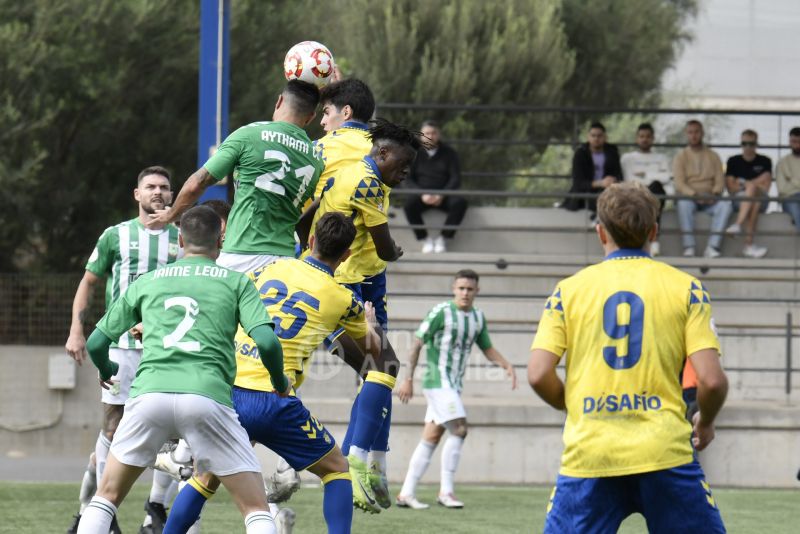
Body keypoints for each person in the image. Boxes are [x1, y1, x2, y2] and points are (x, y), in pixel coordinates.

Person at [164, 212, 382, 533]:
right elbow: (373, 349)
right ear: (347, 255)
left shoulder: (272, 267)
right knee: (336, 469)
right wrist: (371, 322)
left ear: (310, 242)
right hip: (273, 398)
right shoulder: (344, 299)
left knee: (205, 477)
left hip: (227, 390)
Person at [77, 206, 290, 534]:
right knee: (255, 508)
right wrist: (279, 380)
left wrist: (107, 368)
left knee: (106, 497)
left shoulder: (147, 281)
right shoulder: (237, 282)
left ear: (179, 239)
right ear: (221, 240)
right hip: (207, 397)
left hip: (149, 395)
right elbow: (268, 342)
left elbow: (95, 342)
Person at [528, 182, 728, 533]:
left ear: (600, 232)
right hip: (664, 451)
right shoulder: (686, 287)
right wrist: (706, 421)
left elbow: (538, 374)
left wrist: (574, 406)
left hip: (591, 450)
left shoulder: (568, 291)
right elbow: (712, 381)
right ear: (654, 231)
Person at [299, 118, 418, 512]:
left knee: (381, 370)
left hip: (366, 280)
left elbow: (311, 213)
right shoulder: (366, 181)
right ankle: (355, 460)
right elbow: (385, 248)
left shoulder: (358, 174)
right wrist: (397, 252)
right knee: (381, 366)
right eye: (401, 166)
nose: (404, 174)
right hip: (347, 284)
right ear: (381, 153)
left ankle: (373, 465)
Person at [65, 166, 181, 534]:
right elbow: (89, 282)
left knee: (170, 432)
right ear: (137, 194)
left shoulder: (183, 239)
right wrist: (76, 331)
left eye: (164, 187)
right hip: (122, 348)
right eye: (151, 186)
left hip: (166, 348)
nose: (158, 192)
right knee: (114, 429)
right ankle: (100, 511)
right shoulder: (115, 236)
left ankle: (153, 514)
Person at [146, 80, 324, 274]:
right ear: (311, 117)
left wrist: (170, 215)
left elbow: (198, 182)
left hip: (242, 254)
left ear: (279, 101)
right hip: (285, 260)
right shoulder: (316, 159)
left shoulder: (249, 135)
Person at [395, 269, 516, 509]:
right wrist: (408, 379)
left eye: (470, 289)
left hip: (453, 386)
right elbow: (417, 343)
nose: (465, 293)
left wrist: (506, 364)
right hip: (437, 382)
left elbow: (487, 348)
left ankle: (406, 493)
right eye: (461, 288)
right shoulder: (442, 312)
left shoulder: (478, 318)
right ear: (453, 289)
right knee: (460, 429)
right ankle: (446, 492)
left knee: (432, 436)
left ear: (477, 291)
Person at [402, 120, 467, 253]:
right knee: (409, 206)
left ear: (439, 135)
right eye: (427, 133)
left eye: (434, 133)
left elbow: (456, 178)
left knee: (460, 203)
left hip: (443, 196)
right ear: (421, 135)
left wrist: (441, 195)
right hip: (422, 196)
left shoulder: (450, 153)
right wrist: (422, 194)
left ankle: (442, 239)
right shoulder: (413, 153)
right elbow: (407, 179)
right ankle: (425, 239)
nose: (430, 136)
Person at [674, 120, 732, 258]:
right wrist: (694, 195)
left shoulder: (713, 156)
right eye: (690, 132)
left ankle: (712, 247)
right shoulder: (680, 157)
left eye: (696, 132)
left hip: (711, 198)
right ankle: (689, 247)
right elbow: (679, 183)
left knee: (725, 206)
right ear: (686, 135)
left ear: (702, 133)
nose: (694, 135)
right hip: (689, 197)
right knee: (682, 204)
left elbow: (720, 180)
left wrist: (714, 194)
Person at [313, 78, 376, 201]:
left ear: (346, 112)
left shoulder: (316, 149)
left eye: (326, 112)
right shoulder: (381, 153)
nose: (322, 122)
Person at [620, 122, 671, 256]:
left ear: (653, 139)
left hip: (654, 194)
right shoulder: (627, 158)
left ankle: (653, 241)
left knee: (656, 187)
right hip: (635, 193)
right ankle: (651, 241)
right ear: (637, 138)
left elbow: (666, 177)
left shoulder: (661, 158)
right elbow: (629, 179)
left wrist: (645, 174)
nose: (644, 139)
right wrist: (653, 176)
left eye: (648, 136)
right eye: (641, 136)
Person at [724, 129, 771, 258]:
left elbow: (766, 187)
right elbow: (730, 188)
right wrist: (755, 183)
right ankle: (749, 245)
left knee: (753, 191)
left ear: (756, 144)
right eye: (744, 143)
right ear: (741, 144)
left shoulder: (765, 161)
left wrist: (743, 183)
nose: (747, 147)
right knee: (754, 199)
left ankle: (738, 224)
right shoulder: (733, 161)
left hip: (761, 199)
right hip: (741, 200)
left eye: (751, 143)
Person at [562, 122, 622, 220]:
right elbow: (578, 183)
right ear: (588, 137)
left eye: (599, 136)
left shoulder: (612, 152)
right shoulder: (580, 154)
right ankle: (599, 219)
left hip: (607, 191)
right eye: (593, 135)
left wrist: (612, 181)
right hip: (586, 192)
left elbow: (618, 175)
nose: (596, 139)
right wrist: (601, 183)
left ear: (605, 137)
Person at [776, 127, 800, 230]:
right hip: (790, 198)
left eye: (799, 141)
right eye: (794, 141)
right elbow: (782, 189)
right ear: (789, 142)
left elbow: (788, 186)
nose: (797, 145)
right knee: (795, 206)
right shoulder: (783, 163)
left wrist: (791, 179)